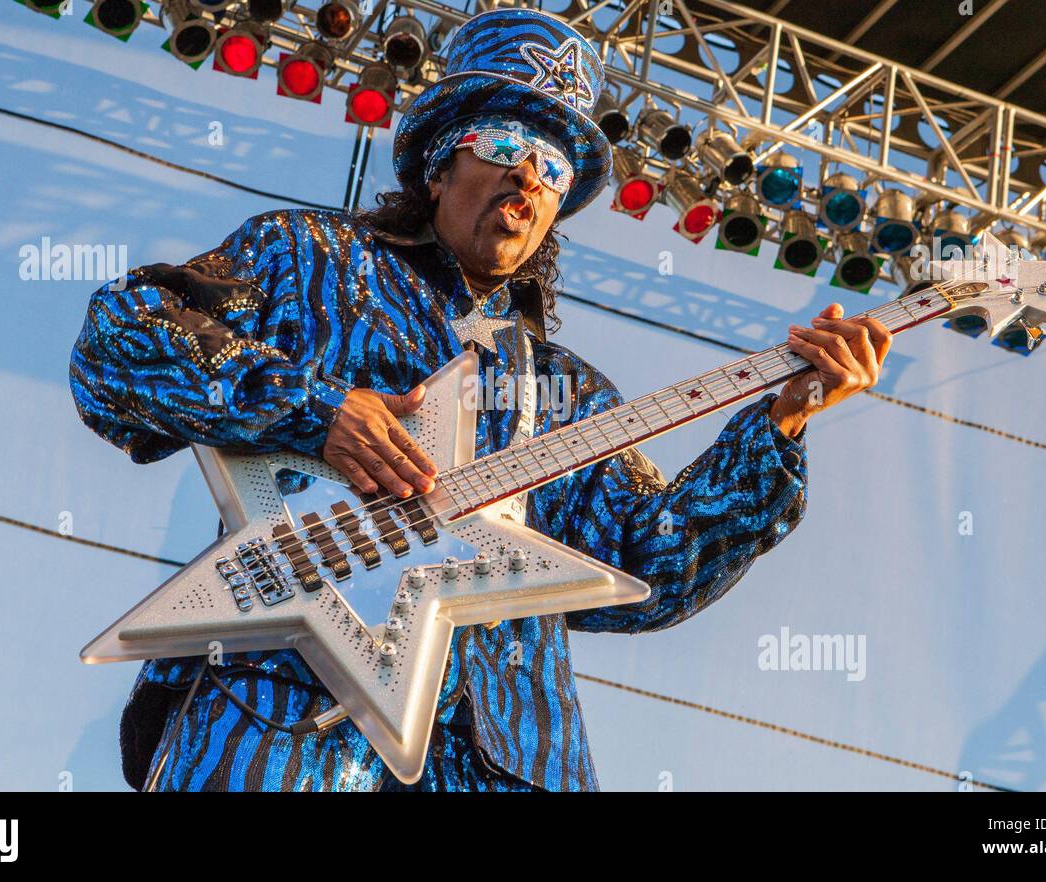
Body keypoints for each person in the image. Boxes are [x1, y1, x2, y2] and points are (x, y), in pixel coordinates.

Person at [69, 7, 891, 791]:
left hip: (505, 758)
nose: (529, 176)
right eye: (506, 143)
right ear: (438, 167)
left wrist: (781, 418)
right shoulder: (305, 258)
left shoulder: (564, 390)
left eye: (554, 167)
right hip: (278, 704)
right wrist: (315, 413)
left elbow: (655, 564)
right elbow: (123, 339)